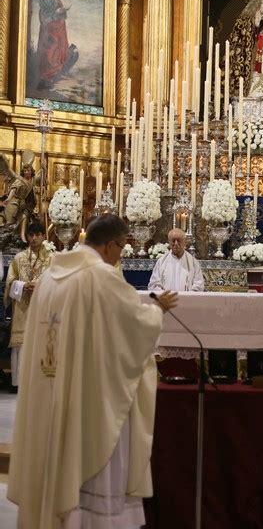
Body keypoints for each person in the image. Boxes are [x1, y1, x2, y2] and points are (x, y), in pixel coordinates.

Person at [7, 213, 178, 529]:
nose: (121, 254)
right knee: (88, 462)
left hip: (47, 393)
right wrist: (157, 310)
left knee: (50, 452)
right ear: (113, 245)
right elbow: (132, 329)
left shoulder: (49, 276)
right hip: (84, 401)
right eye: (123, 247)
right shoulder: (100, 277)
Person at [4, 221, 52, 388]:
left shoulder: (52, 259)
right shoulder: (19, 258)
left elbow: (58, 282)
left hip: (42, 306)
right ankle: (20, 382)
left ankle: (41, 382)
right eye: (31, 235)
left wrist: (39, 286)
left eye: (37, 235)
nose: (33, 238)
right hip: (23, 307)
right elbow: (9, 282)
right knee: (22, 343)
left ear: (43, 236)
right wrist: (23, 286)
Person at [37, 0, 71, 89]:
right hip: (48, 31)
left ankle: (52, 77)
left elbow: (62, 15)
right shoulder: (44, 0)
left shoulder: (57, 0)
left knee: (57, 52)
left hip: (58, 30)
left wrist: (62, 11)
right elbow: (44, 17)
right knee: (48, 52)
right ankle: (44, 79)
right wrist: (55, 13)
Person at [148, 228, 205, 292]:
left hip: (187, 300)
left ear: (185, 242)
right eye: (173, 240)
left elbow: (198, 285)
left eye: (179, 240)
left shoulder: (193, 263)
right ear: (169, 242)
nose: (176, 243)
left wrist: (188, 297)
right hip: (167, 300)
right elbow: (154, 284)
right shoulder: (161, 262)